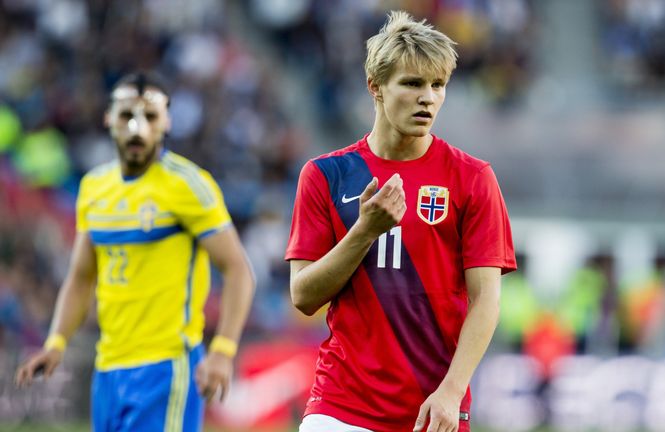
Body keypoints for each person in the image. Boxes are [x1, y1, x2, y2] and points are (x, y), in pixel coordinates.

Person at [285, 11, 516, 432]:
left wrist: (451, 390)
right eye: (412, 84)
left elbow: (487, 301)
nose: (428, 97)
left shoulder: (472, 178)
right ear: (375, 87)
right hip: (340, 405)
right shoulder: (325, 175)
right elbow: (303, 296)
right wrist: (365, 230)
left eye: (437, 85)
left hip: (431, 409)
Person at [15, 71, 255, 432]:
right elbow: (81, 277)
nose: (137, 128)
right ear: (108, 119)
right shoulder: (94, 187)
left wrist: (223, 350)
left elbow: (238, 270)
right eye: (127, 116)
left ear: (167, 122)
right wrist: (56, 342)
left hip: (167, 367)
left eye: (150, 117)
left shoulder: (187, 185)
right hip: (108, 369)